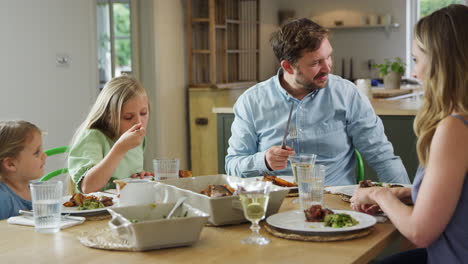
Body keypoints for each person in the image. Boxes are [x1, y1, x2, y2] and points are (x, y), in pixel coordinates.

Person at [225, 18, 410, 185]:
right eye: (315, 63)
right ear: (288, 66)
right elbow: (232, 165)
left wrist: (406, 198)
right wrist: (263, 161)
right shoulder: (251, 102)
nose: (327, 68)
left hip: (336, 204)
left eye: (328, 56)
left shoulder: (347, 95)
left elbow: (382, 156)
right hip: (276, 206)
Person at [350, 4, 468, 263]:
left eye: (416, 59)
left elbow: (419, 231)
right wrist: (407, 193)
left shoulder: (455, 128)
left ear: (442, 62)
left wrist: (377, 193)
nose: (414, 72)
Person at [68, 75, 153, 193]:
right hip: (96, 209)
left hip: (121, 207)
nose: (138, 122)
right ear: (108, 117)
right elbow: (88, 187)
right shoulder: (92, 138)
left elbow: (122, 177)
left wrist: (139, 177)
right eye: (128, 117)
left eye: (143, 113)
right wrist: (120, 148)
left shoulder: (138, 141)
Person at [0, 120, 46, 220]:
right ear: (10, 164)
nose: (44, 156)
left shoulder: (39, 191)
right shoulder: (3, 199)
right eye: (36, 152)